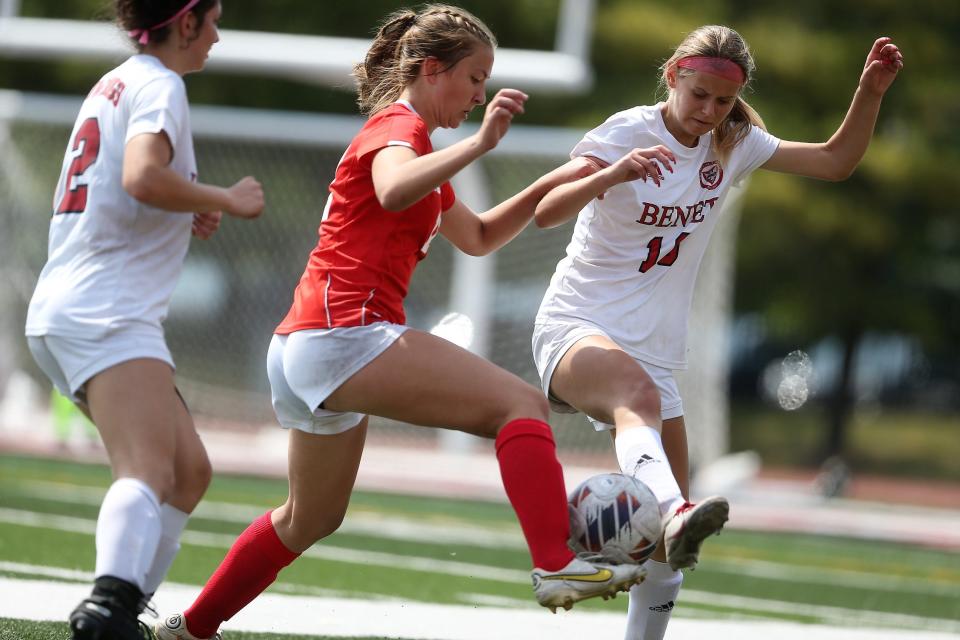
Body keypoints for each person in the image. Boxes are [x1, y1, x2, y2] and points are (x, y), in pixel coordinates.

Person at [154, 5, 645, 639]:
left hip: (309, 344)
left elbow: (479, 235)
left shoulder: (415, 146)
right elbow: (391, 190)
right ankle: (556, 563)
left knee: (309, 519)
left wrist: (572, 177)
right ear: (433, 70)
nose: (480, 94)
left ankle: (190, 628)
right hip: (342, 335)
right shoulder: (398, 127)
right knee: (521, 404)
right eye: (474, 78)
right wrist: (479, 144)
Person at [531, 26, 902, 640]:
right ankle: (670, 510)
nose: (708, 112)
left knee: (665, 563)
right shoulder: (627, 132)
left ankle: (626, 565)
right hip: (578, 324)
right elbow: (546, 212)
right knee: (645, 422)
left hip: (653, 353)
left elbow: (836, 161)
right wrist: (613, 173)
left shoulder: (733, 145)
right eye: (698, 95)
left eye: (722, 102)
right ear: (674, 74)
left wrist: (870, 90)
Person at [23, 1, 265, 638]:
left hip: (80, 305)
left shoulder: (120, 79)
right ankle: (109, 610)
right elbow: (139, 176)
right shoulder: (162, 83)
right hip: (106, 310)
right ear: (184, 23)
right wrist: (222, 198)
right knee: (149, 472)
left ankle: (126, 607)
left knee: (189, 473)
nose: (216, 33)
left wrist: (186, 207)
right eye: (211, 19)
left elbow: (125, 183)